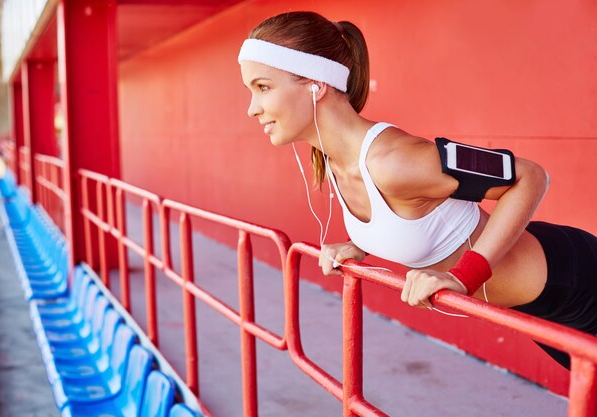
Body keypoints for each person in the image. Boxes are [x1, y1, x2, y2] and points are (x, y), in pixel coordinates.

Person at [237, 11, 597, 369]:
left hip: (576, 280)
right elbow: (413, 215)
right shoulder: (334, 161)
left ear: (316, 83)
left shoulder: (396, 160)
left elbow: (530, 176)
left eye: (263, 87)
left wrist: (462, 277)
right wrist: (359, 245)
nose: (253, 109)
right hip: (536, 309)